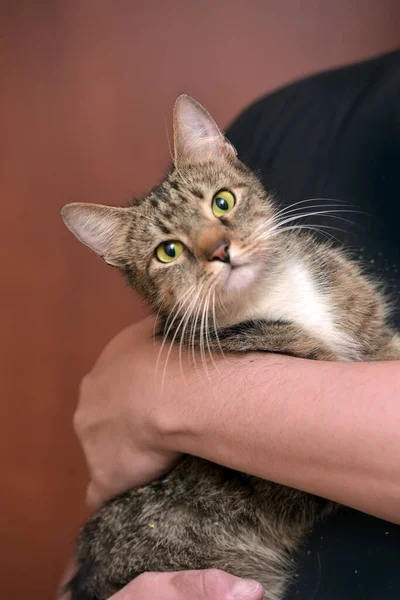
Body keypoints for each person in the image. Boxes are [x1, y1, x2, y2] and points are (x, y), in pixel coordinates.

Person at [60, 49, 400, 599]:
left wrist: (155, 397)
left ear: (229, 163)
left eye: (222, 202)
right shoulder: (280, 120)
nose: (216, 245)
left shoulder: (329, 276)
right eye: (170, 250)